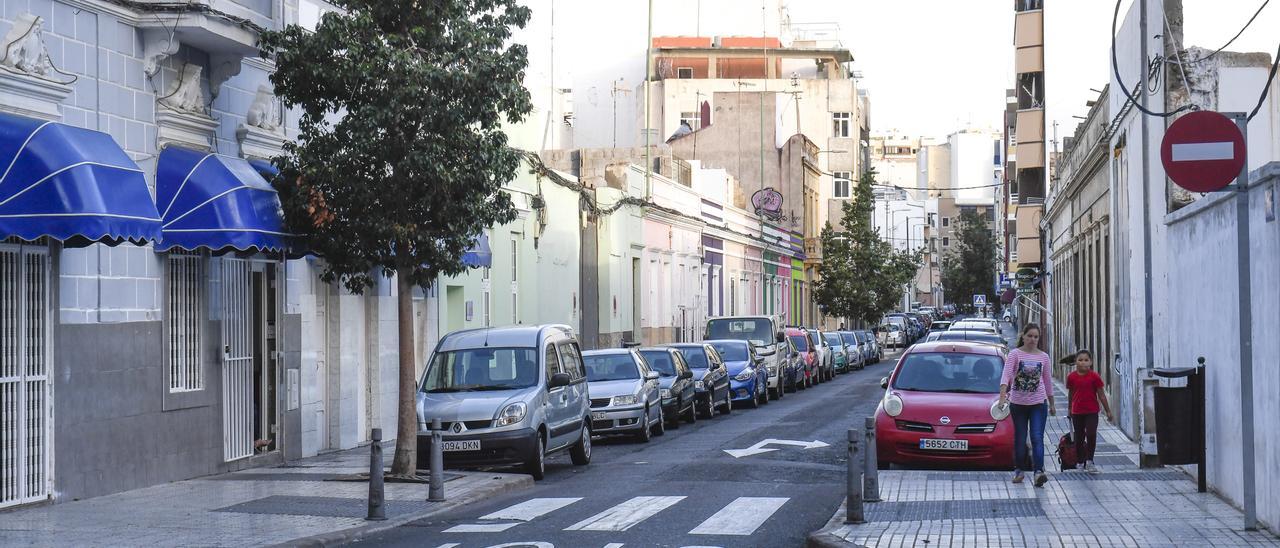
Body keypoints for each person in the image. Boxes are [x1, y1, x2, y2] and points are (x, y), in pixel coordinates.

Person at [998, 323, 1056, 487]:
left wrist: (1051, 404)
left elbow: (1048, 381)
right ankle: (1019, 471)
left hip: (1038, 404)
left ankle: (1039, 472)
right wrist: (1002, 397)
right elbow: (1006, 376)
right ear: (1023, 336)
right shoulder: (1015, 354)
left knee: (1037, 437)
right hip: (1018, 404)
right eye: (1029, 336)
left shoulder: (1044, 357)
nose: (1032, 339)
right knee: (1020, 438)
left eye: (1036, 336)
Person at [1066, 349, 1113, 473]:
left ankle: (1090, 460)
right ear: (1076, 362)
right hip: (1077, 412)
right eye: (1080, 360)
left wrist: (1108, 411)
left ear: (1091, 362)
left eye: (1086, 360)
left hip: (1092, 411)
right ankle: (1080, 461)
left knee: (1091, 434)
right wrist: (1069, 408)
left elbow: (1101, 395)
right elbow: (1071, 393)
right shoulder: (1071, 377)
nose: (1083, 363)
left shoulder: (1094, 377)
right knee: (1079, 437)